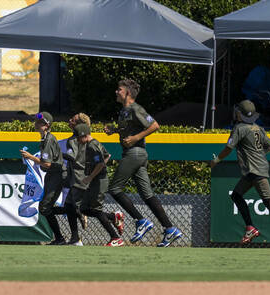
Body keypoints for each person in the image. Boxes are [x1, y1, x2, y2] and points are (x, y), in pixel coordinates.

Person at [209, 100, 270, 249]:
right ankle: (250, 228)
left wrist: (216, 161)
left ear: (240, 114)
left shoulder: (239, 128)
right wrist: (259, 155)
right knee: (236, 195)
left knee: (269, 202)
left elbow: (228, 148)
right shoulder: (258, 128)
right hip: (254, 170)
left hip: (255, 171)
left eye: (238, 111)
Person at [104, 78, 183, 246]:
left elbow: (154, 125)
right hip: (135, 154)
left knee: (114, 188)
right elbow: (130, 128)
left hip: (135, 153)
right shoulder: (124, 111)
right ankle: (170, 229)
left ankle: (141, 221)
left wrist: (135, 138)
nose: (116, 92)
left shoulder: (135, 108)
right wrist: (114, 130)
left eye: (119, 89)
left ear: (127, 93)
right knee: (147, 194)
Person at [63, 120, 123, 246]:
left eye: (79, 138)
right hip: (95, 179)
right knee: (84, 208)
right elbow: (107, 156)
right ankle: (114, 217)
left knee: (96, 209)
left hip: (98, 180)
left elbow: (100, 163)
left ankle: (115, 238)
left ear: (84, 135)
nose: (78, 141)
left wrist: (90, 176)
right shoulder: (94, 143)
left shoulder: (91, 145)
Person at [21, 111, 73, 245]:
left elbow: (47, 164)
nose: (36, 124)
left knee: (44, 208)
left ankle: (75, 214)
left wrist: (30, 157)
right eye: (37, 121)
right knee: (45, 207)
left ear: (46, 125)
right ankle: (61, 235)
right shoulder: (45, 138)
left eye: (40, 122)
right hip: (52, 175)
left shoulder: (49, 139)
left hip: (57, 175)